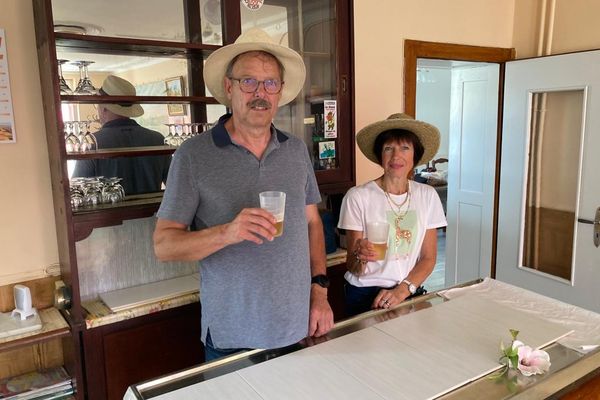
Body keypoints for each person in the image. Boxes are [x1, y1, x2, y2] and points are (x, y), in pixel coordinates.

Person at [153, 28, 334, 362]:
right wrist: (228, 232)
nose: (260, 93)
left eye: (270, 83)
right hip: (232, 337)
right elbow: (164, 246)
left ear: (280, 92)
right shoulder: (193, 156)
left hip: (297, 327)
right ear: (229, 87)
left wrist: (319, 291)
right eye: (248, 81)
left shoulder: (295, 151)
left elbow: (311, 223)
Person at [337, 113, 447, 317]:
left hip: (407, 290)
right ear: (380, 156)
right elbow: (353, 267)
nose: (396, 156)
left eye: (405, 148)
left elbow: (428, 258)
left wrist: (403, 290)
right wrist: (359, 256)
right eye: (389, 148)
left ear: (415, 155)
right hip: (363, 294)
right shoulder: (358, 197)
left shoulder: (427, 195)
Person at [72, 75, 171, 195]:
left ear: (103, 108)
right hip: (153, 211)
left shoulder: (91, 142)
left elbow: (77, 191)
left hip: (111, 213)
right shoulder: (158, 139)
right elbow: (174, 186)